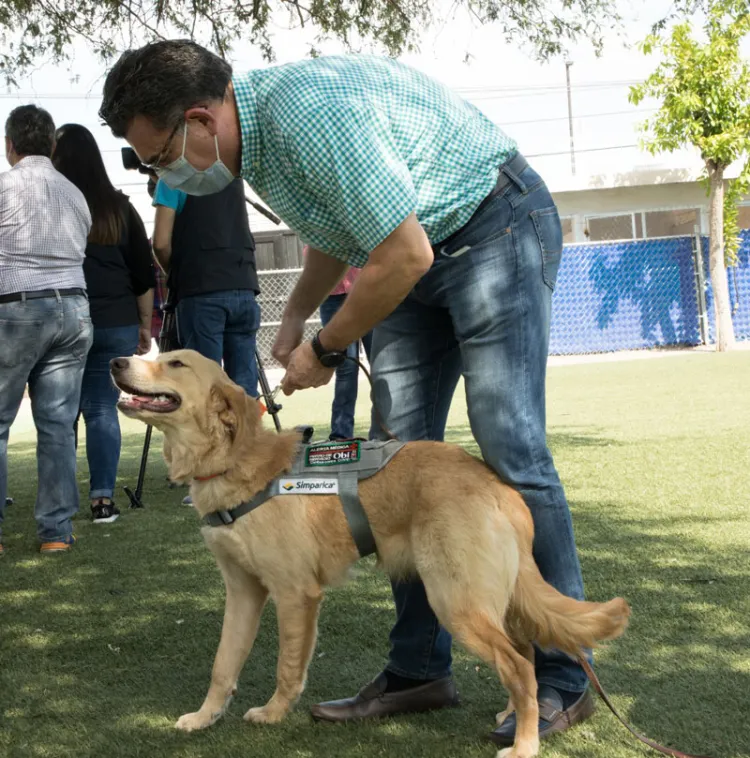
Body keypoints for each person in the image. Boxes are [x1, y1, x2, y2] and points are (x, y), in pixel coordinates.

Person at [99, 41, 593, 744]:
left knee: (509, 442)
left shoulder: (305, 117)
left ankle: (564, 678)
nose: (160, 176)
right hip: (409, 250)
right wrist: (299, 314)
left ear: (201, 122)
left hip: (492, 226)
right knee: (388, 462)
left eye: (158, 158)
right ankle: (420, 669)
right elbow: (340, 232)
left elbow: (404, 250)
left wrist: (326, 349)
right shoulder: (257, 144)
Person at [0, 105, 93, 555]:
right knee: (57, 426)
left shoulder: (3, 187)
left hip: (16, 310)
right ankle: (55, 533)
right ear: (52, 146)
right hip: (73, 309)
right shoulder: (75, 194)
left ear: (9, 145)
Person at [52, 123, 155, 525]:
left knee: (60, 412)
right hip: (117, 321)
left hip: (66, 319)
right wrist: (145, 326)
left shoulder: (54, 206)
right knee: (101, 409)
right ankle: (103, 502)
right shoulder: (121, 207)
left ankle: (60, 505)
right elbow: (143, 274)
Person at [151, 177, 260, 398]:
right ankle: (248, 431)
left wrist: (176, 273)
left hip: (200, 290)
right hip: (243, 283)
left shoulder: (172, 178)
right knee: (244, 389)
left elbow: (160, 243)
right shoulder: (230, 175)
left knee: (203, 385)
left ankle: (209, 434)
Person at [309, 247, 374, 441]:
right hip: (332, 296)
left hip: (368, 292)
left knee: (381, 364)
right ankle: (340, 434)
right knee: (345, 367)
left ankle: (386, 428)